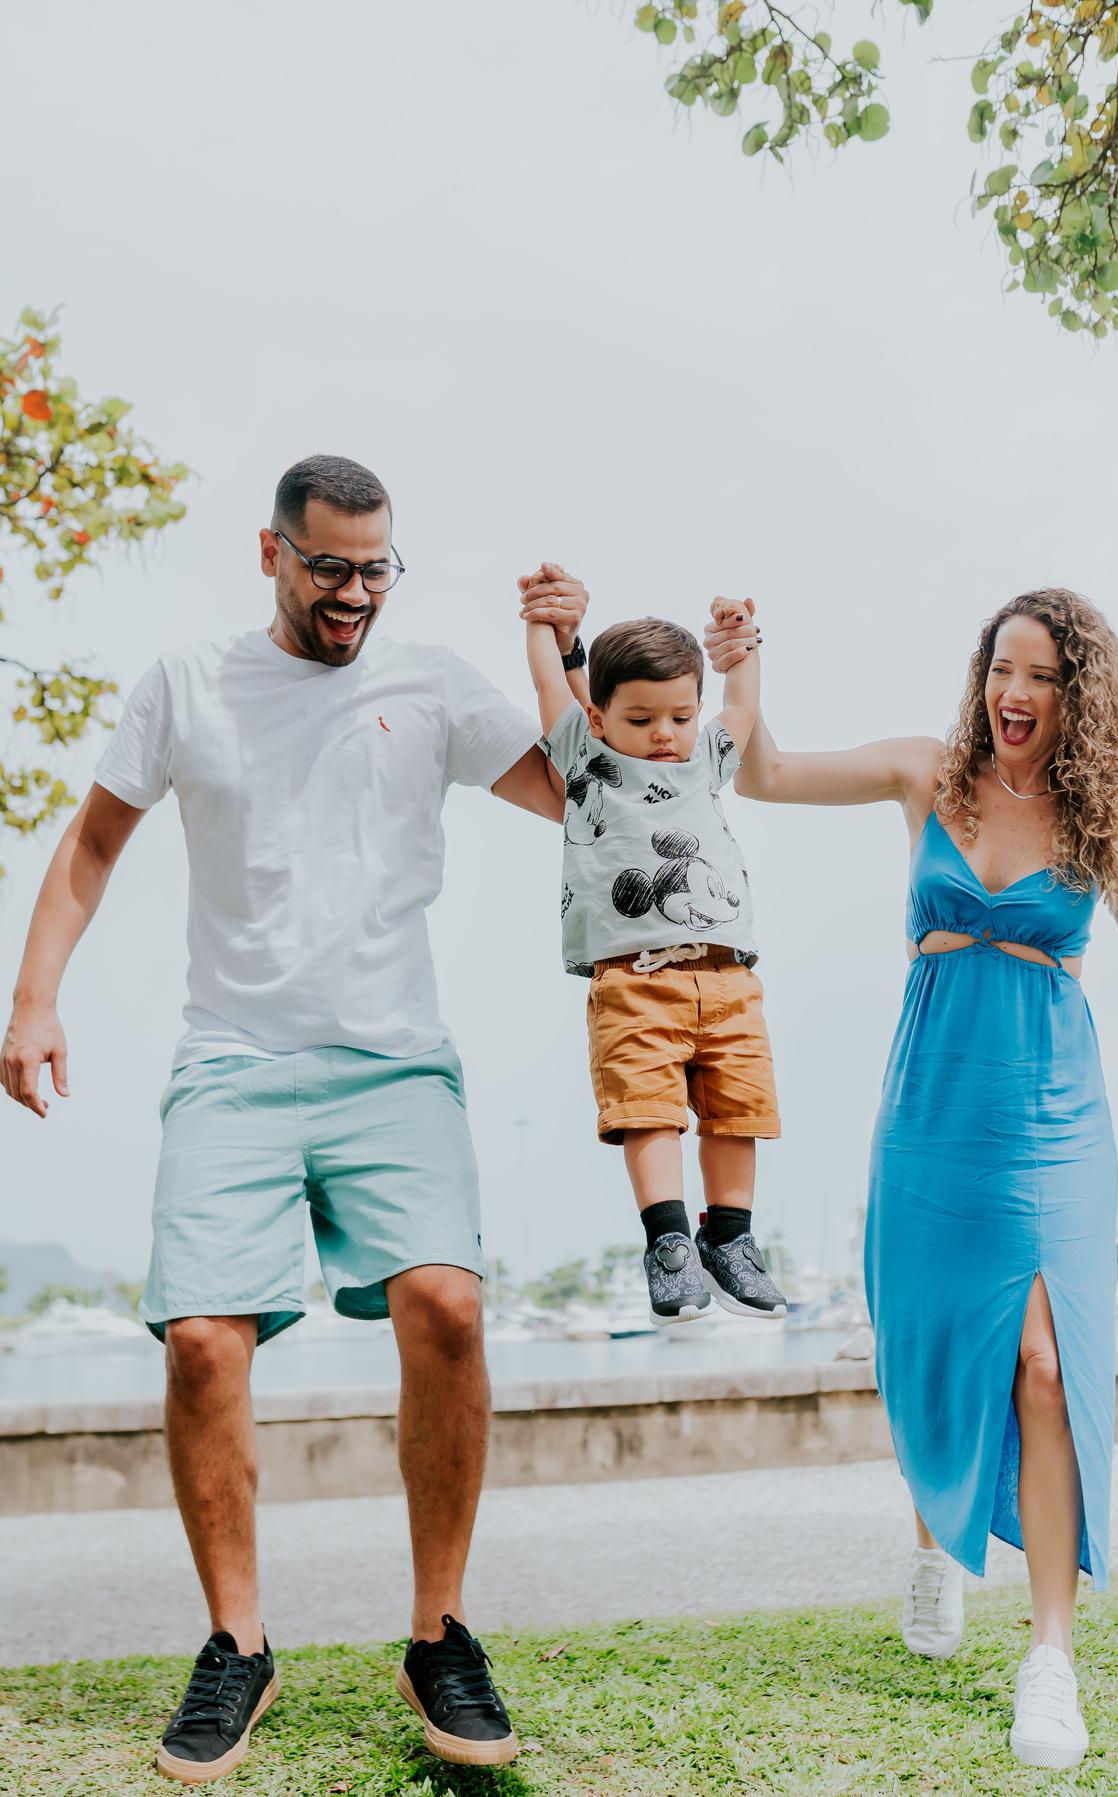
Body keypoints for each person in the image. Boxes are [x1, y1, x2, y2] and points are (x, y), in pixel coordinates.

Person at [0, 455, 587, 1783]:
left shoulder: (430, 681)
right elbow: (90, 846)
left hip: (395, 1065)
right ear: (269, 553)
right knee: (203, 1339)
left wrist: (561, 648)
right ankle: (238, 1645)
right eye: (330, 567)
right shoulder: (186, 685)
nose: (355, 593)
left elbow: (576, 793)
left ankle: (439, 1634)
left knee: (447, 1303)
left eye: (377, 568)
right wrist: (35, 997)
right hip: (234, 1061)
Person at [704, 587, 1118, 1771]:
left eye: (1041, 676)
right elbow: (764, 773)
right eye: (1001, 670)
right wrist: (743, 671)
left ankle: (1050, 1657)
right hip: (930, 1108)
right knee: (927, 1341)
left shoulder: (1101, 826)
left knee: (1043, 1362)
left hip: (1052, 1119)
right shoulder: (931, 776)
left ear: (1082, 696)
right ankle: (933, 1542)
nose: (1013, 695)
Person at [524, 601, 788, 1326]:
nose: (664, 733)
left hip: (729, 977)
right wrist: (540, 625)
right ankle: (670, 1243)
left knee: (740, 1108)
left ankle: (731, 1239)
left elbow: (743, 702)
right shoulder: (586, 757)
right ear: (601, 717)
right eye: (641, 719)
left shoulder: (707, 756)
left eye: (678, 715)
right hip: (634, 980)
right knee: (647, 1111)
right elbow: (551, 680)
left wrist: (742, 645)